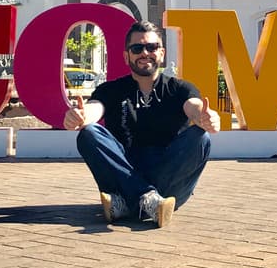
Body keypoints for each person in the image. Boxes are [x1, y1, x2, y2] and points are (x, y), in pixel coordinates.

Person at [65, 21, 216, 228]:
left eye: (152, 47)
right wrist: (81, 116)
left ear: (161, 53)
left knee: (201, 137)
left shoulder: (179, 88)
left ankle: (127, 202)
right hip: (124, 169)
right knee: (88, 133)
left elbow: (194, 106)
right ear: (127, 56)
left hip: (167, 178)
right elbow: (95, 108)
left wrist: (205, 117)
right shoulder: (111, 90)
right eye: (137, 48)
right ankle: (146, 199)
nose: (145, 53)